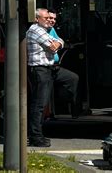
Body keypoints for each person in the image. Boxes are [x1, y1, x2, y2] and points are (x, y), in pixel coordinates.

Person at [27, 8, 79, 147]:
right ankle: (35, 137)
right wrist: (57, 43)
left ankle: (63, 102)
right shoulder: (35, 30)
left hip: (50, 68)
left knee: (71, 78)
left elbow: (59, 41)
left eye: (52, 18)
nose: (50, 20)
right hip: (40, 69)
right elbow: (53, 47)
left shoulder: (46, 30)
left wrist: (58, 43)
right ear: (37, 19)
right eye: (46, 18)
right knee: (39, 104)